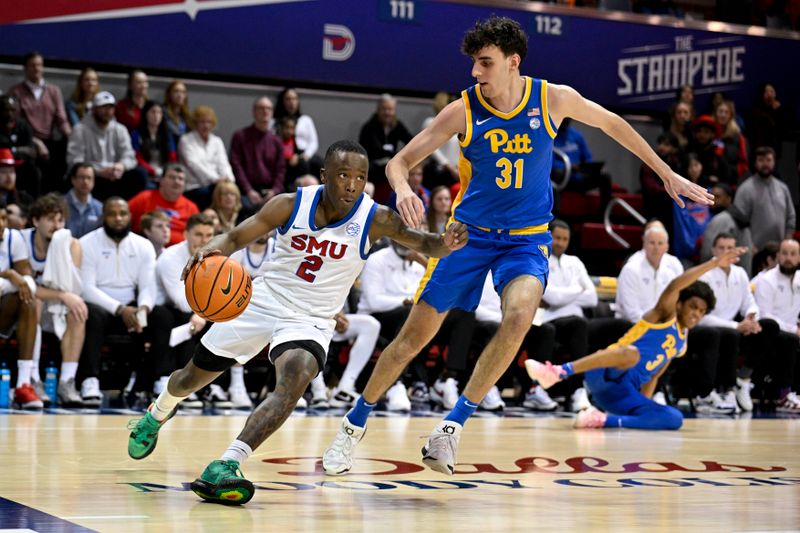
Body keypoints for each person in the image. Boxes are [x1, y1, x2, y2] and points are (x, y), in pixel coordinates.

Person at [322, 16, 712, 476]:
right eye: (473, 63)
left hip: (526, 241)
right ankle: (352, 427)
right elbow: (399, 162)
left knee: (520, 316)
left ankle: (451, 429)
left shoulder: (551, 99)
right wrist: (404, 188)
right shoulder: (463, 110)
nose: (475, 73)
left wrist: (666, 173)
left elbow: (612, 124)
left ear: (513, 62)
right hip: (467, 237)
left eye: (484, 63)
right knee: (411, 339)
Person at [125, 140, 467, 505]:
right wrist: (211, 249)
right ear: (324, 176)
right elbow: (237, 236)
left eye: (360, 177)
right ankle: (158, 411)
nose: (352, 185)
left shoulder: (375, 217)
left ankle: (228, 462)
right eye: (343, 175)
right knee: (190, 377)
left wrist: (447, 242)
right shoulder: (290, 204)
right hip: (261, 301)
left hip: (312, 320)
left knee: (295, 381)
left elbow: (426, 244)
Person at [527, 246, 743, 429]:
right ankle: (558, 371)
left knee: (675, 419)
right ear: (679, 304)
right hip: (604, 372)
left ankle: (602, 420)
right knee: (632, 354)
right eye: (693, 307)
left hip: (620, 395)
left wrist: (644, 406)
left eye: (701, 311)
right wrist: (714, 263)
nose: (696, 313)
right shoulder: (663, 315)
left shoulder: (681, 343)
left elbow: (654, 375)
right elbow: (676, 285)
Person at [77, 197, 158, 406]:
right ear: (103, 217)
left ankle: (145, 383)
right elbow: (86, 288)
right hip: (101, 304)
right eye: (112, 214)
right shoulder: (87, 243)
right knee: (91, 315)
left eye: (122, 214)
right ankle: (90, 380)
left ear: (130, 216)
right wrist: (120, 309)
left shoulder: (144, 246)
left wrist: (143, 309)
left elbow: (148, 286)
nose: (118, 218)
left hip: (132, 304)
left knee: (161, 317)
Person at [21, 193, 86, 406]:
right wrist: (61, 295)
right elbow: (27, 288)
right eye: (50, 219)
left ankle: (67, 381)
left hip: (57, 307)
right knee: (34, 302)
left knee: (78, 310)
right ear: (36, 220)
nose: (56, 226)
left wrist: (65, 296)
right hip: (24, 308)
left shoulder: (72, 245)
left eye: (60, 220)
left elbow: (72, 289)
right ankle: (33, 377)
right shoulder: (22, 241)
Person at [67, 91, 145, 200]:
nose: (107, 111)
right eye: (103, 107)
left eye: (110, 108)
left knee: (139, 175)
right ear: (94, 109)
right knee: (84, 177)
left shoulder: (120, 129)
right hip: (94, 175)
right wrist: (98, 171)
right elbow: (75, 161)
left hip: (115, 175)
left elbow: (129, 156)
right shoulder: (80, 129)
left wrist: (121, 166)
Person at [0, 199, 40, 409]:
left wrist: (19, 279)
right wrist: (8, 274)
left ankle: (24, 384)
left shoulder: (13, 238)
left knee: (28, 300)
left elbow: (27, 278)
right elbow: (15, 277)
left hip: (3, 310)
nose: (0, 223)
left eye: (3, 218)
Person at [732, 146, 795, 252]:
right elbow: (738, 221)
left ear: (774, 162)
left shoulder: (783, 188)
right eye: (761, 160)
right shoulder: (745, 189)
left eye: (769, 160)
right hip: (754, 251)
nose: (765, 164)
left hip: (780, 250)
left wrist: (787, 240)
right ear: (755, 163)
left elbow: (791, 216)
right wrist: (749, 245)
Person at [230, 97, 286, 211]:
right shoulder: (240, 136)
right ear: (254, 112)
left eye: (269, 108)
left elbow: (281, 169)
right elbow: (236, 166)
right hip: (245, 191)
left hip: (270, 191)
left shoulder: (276, 141)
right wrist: (249, 190)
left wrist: (274, 191)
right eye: (261, 108)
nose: (265, 111)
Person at [358, 94, 413, 202]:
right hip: (374, 168)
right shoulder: (368, 127)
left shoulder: (397, 125)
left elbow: (411, 141)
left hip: (391, 165)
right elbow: (367, 152)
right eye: (384, 109)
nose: (387, 113)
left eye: (390, 109)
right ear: (378, 110)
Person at [127, 163, 199, 246]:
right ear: (161, 180)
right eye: (172, 177)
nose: (176, 181)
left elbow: (197, 235)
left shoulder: (191, 208)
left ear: (185, 185)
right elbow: (124, 217)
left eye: (180, 179)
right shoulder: (144, 198)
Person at [178, 105, 235, 210]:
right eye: (202, 122)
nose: (206, 125)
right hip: (194, 186)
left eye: (209, 122)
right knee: (211, 195)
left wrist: (229, 179)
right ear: (195, 123)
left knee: (231, 193)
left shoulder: (217, 141)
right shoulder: (186, 140)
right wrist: (216, 179)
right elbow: (194, 164)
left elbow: (223, 163)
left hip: (217, 185)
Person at [700, 183, 752, 274]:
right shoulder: (738, 217)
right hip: (741, 271)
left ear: (728, 199)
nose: (712, 199)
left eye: (717, 196)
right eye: (711, 196)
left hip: (722, 272)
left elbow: (706, 252)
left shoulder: (720, 220)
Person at [130, 101, 177, 183]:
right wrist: (153, 171)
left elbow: (172, 158)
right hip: (146, 173)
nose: (156, 116)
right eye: (153, 112)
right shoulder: (136, 134)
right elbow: (136, 158)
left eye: (159, 112)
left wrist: (165, 172)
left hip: (164, 172)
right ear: (145, 114)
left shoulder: (167, 135)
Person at [163, 80, 192, 145]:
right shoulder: (162, 113)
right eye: (176, 91)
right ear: (169, 94)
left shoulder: (186, 116)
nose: (180, 95)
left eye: (183, 92)